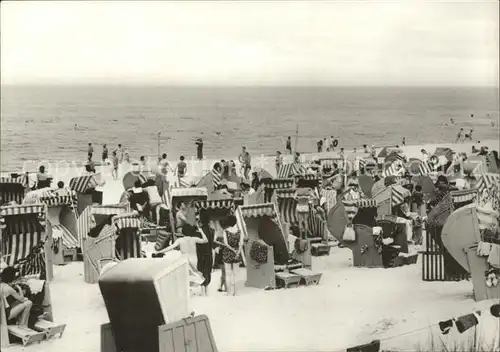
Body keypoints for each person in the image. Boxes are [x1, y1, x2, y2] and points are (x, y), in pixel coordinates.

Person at [156, 221, 208, 291]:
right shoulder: (194, 239)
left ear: (183, 231)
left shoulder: (180, 240)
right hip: (194, 259)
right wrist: (201, 231)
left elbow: (170, 247)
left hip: (185, 259)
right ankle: (203, 290)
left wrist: (160, 251)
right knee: (196, 273)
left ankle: (188, 290)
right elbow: (205, 240)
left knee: (185, 275)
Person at [216, 215, 243, 296]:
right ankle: (236, 292)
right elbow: (241, 244)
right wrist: (237, 252)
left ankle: (229, 293)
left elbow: (226, 244)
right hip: (237, 253)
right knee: (236, 273)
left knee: (228, 274)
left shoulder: (226, 231)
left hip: (227, 253)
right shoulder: (239, 231)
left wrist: (232, 250)